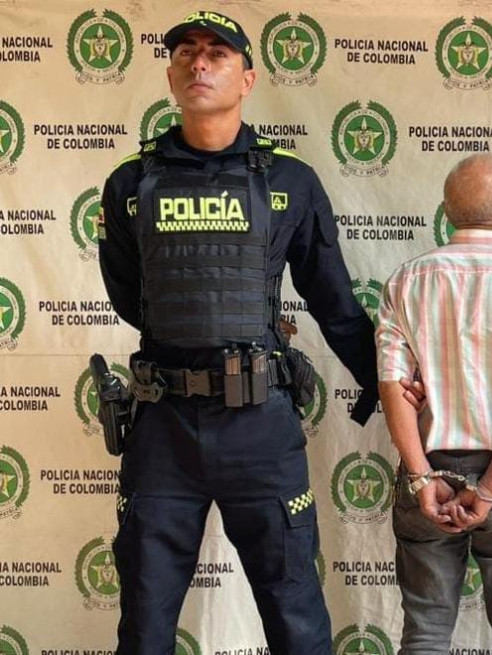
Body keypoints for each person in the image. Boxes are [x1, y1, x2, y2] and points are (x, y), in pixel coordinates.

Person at [97, 11, 378, 654]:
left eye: (217, 53)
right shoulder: (130, 183)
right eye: (186, 52)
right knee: (144, 624)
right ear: (171, 74)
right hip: (163, 427)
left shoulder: (290, 180)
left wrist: (387, 382)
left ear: (247, 78)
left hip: (260, 427)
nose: (199, 63)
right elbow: (131, 297)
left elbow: (334, 302)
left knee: (296, 617)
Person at [376, 154, 492, 655]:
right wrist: (491, 489)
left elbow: (392, 386)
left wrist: (421, 479)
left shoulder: (406, 281)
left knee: (425, 632)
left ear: (445, 212)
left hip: (429, 467)